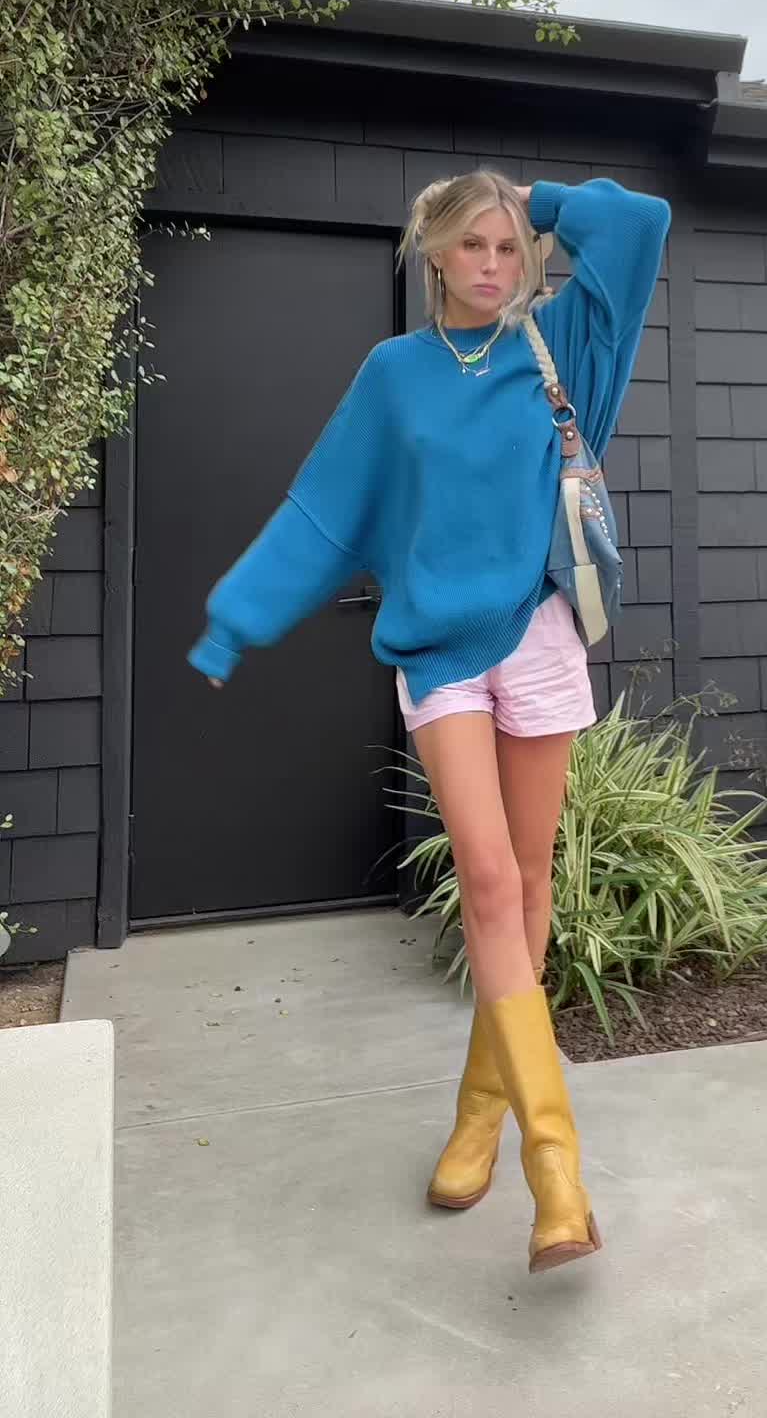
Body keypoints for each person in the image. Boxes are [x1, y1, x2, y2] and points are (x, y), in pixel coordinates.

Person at [188, 169, 670, 1274]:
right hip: (438, 653)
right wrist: (236, 621)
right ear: (435, 254)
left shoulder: (564, 346)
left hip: (539, 634)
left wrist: (535, 197)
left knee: (532, 882)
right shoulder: (393, 373)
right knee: (490, 881)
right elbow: (324, 511)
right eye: (472, 245)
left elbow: (639, 221)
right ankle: (558, 1174)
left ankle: (479, 1116)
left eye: (509, 246)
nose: (494, 264)